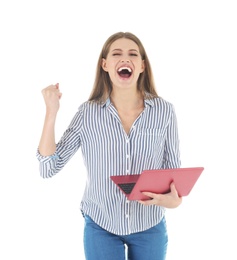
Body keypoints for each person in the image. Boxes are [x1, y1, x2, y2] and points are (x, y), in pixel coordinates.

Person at [37, 31, 182, 260]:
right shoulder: (88, 113)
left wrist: (174, 200)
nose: (125, 58)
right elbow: (48, 167)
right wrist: (51, 112)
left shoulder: (164, 111)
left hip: (150, 225)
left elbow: (173, 175)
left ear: (142, 65)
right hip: (101, 225)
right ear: (105, 64)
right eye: (117, 53)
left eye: (132, 54)